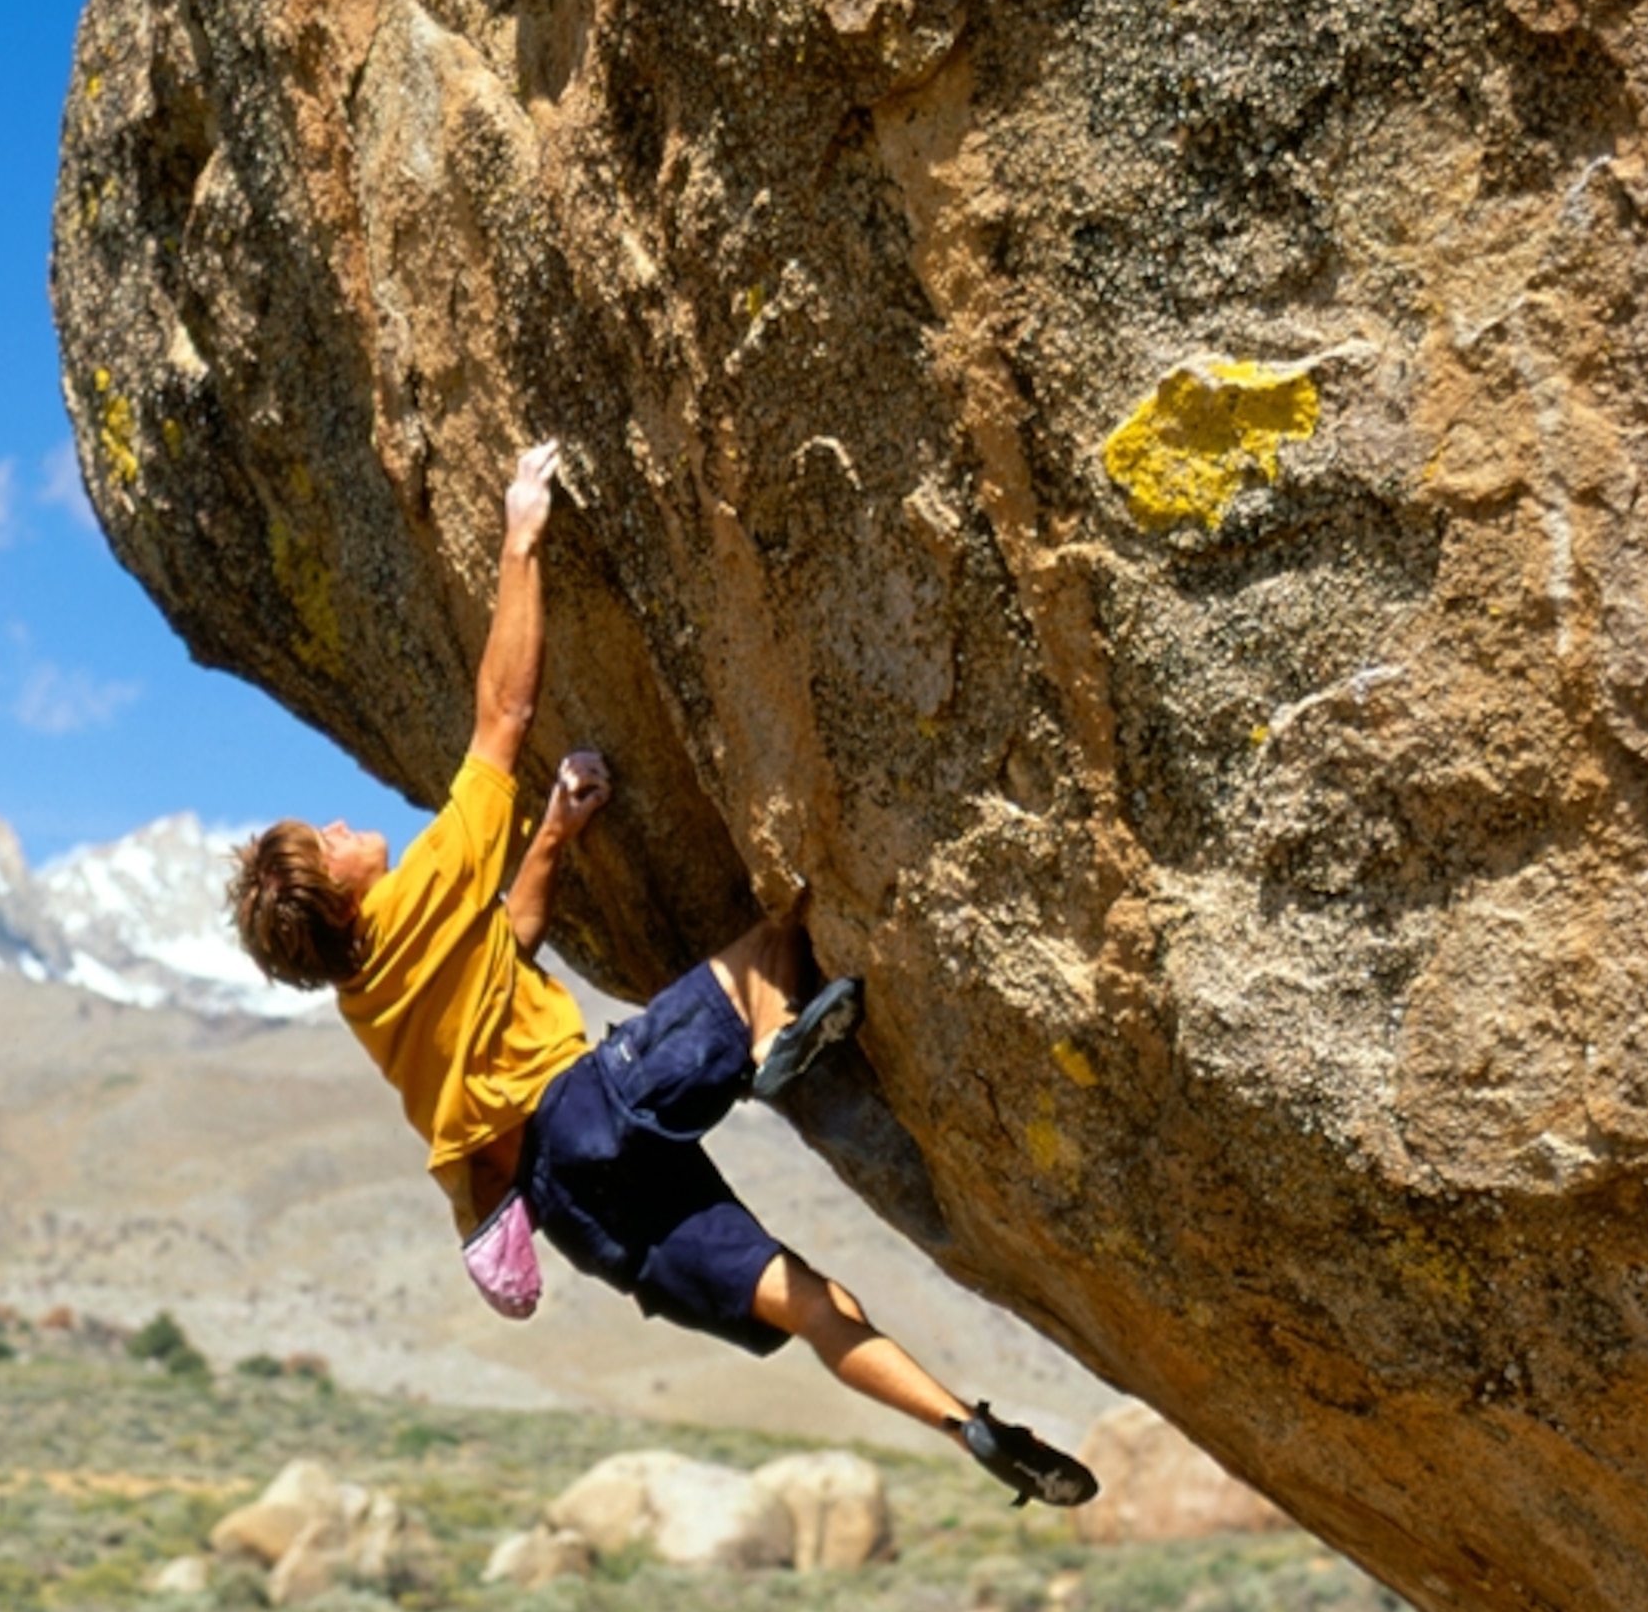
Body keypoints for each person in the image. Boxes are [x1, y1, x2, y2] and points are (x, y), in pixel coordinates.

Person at [227, 440, 1096, 1507]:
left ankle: (967, 1427)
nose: (345, 823)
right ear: (344, 891)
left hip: (585, 1218)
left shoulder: (373, 1001)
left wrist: (555, 835)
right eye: (330, 837)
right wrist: (520, 532)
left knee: (813, 1301)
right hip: (602, 1103)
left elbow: (507, 950)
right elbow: (504, 713)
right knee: (783, 932)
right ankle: (776, 1044)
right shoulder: (426, 880)